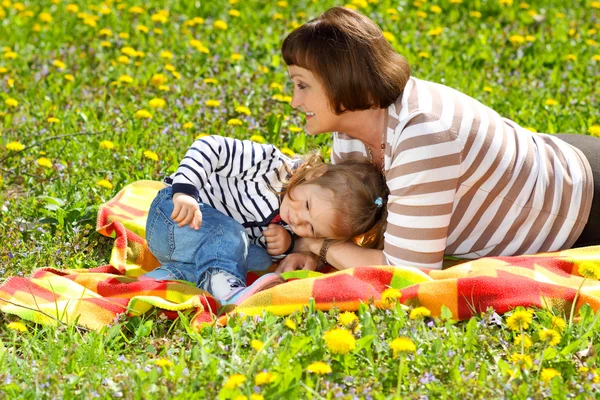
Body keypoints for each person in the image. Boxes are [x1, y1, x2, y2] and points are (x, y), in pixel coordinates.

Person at [277, 6, 600, 273]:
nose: (294, 101)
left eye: (302, 85)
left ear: (339, 84)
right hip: (546, 165)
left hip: (578, 206)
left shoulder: (425, 136)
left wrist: (321, 246)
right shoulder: (351, 132)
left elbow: (407, 272)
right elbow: (347, 223)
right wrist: (314, 253)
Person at [142, 134, 388, 305]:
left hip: (191, 249)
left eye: (311, 228)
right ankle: (228, 295)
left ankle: (171, 276)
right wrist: (186, 191)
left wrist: (288, 245)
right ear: (315, 174)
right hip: (174, 217)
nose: (298, 220)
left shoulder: (295, 225)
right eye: (307, 205)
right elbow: (209, 147)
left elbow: (274, 241)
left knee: (260, 258)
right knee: (229, 234)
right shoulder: (269, 166)